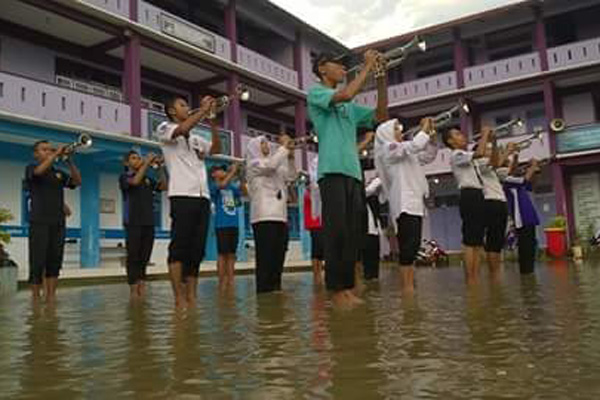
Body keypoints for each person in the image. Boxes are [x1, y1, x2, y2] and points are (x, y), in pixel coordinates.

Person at [308, 49, 388, 308]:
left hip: (354, 174)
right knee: (337, 232)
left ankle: (348, 287)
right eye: (339, 65)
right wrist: (366, 66)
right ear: (322, 68)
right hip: (331, 171)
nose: (344, 70)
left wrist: (380, 78)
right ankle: (336, 290)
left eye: (346, 67)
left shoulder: (350, 109)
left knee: (354, 233)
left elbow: (380, 116)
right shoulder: (317, 93)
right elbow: (345, 93)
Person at [157, 94, 220, 308]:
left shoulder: (195, 138)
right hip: (182, 195)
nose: (187, 107)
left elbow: (217, 149)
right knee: (179, 248)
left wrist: (212, 122)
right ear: (173, 111)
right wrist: (202, 110)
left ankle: (192, 296)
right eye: (182, 105)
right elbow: (181, 130)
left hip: (202, 197)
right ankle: (178, 298)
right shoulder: (164, 128)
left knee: (197, 250)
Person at [374, 118, 437, 291]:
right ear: (386, 133)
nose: (400, 131)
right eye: (396, 129)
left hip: (415, 202)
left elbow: (428, 155)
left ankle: (410, 286)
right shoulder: (388, 149)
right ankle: (407, 289)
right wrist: (423, 129)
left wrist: (431, 138)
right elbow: (415, 145)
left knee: (414, 246)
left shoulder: (405, 151)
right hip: (403, 203)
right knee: (408, 247)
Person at [25, 140, 81, 302]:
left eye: (50, 150)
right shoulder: (31, 168)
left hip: (58, 223)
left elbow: (77, 182)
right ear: (36, 154)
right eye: (44, 150)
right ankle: (35, 299)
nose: (49, 152)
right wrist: (56, 154)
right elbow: (38, 173)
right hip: (39, 222)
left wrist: (69, 161)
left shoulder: (58, 173)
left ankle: (51, 299)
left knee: (54, 261)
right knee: (37, 262)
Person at [246, 135, 296, 294]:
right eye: (263, 143)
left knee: (278, 255)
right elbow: (271, 165)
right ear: (254, 147)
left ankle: (276, 288)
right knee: (266, 257)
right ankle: (264, 292)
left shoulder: (276, 161)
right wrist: (284, 147)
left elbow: (291, 176)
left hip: (280, 216)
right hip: (264, 216)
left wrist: (291, 157)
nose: (268, 145)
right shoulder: (254, 163)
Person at [442, 126, 492, 283]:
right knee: (470, 240)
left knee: (477, 240)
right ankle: (470, 279)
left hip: (477, 194)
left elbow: (488, 159)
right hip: (469, 195)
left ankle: (475, 277)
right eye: (457, 134)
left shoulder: (465, 155)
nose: (462, 136)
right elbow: (480, 153)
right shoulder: (456, 154)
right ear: (450, 141)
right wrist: (484, 135)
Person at [120, 150, 167, 300]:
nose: (138, 160)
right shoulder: (124, 177)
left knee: (144, 257)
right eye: (134, 158)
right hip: (133, 222)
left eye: (139, 158)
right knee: (133, 256)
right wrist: (146, 163)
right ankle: (133, 291)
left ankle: (142, 287)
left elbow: (164, 186)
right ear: (127, 163)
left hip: (148, 223)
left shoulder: (147, 179)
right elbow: (134, 182)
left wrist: (159, 168)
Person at [474, 140, 516, 275]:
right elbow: (495, 163)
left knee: (497, 242)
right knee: (492, 242)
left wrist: (514, 156)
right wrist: (506, 151)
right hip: (489, 202)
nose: (490, 151)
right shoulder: (478, 162)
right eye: (487, 149)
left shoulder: (492, 167)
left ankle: (496, 274)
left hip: (500, 202)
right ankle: (493, 275)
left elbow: (508, 172)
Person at [209, 163, 247, 291]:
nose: (223, 171)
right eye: (220, 170)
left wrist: (241, 177)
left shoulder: (232, 187)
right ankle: (221, 282)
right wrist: (233, 172)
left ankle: (231, 281)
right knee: (222, 254)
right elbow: (222, 185)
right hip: (222, 225)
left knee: (231, 254)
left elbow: (243, 194)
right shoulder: (214, 186)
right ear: (213, 174)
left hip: (233, 224)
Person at [504, 156, 541, 274]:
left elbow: (531, 185)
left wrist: (535, 171)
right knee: (525, 249)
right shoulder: (507, 179)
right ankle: (526, 276)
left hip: (529, 217)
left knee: (530, 248)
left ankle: (529, 278)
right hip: (521, 219)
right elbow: (525, 180)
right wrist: (532, 166)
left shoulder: (517, 181)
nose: (516, 167)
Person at [303, 155, 324, 285]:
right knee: (316, 250)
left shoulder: (315, 191)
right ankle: (316, 274)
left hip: (321, 222)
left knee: (320, 250)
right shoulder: (309, 193)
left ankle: (319, 273)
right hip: (314, 223)